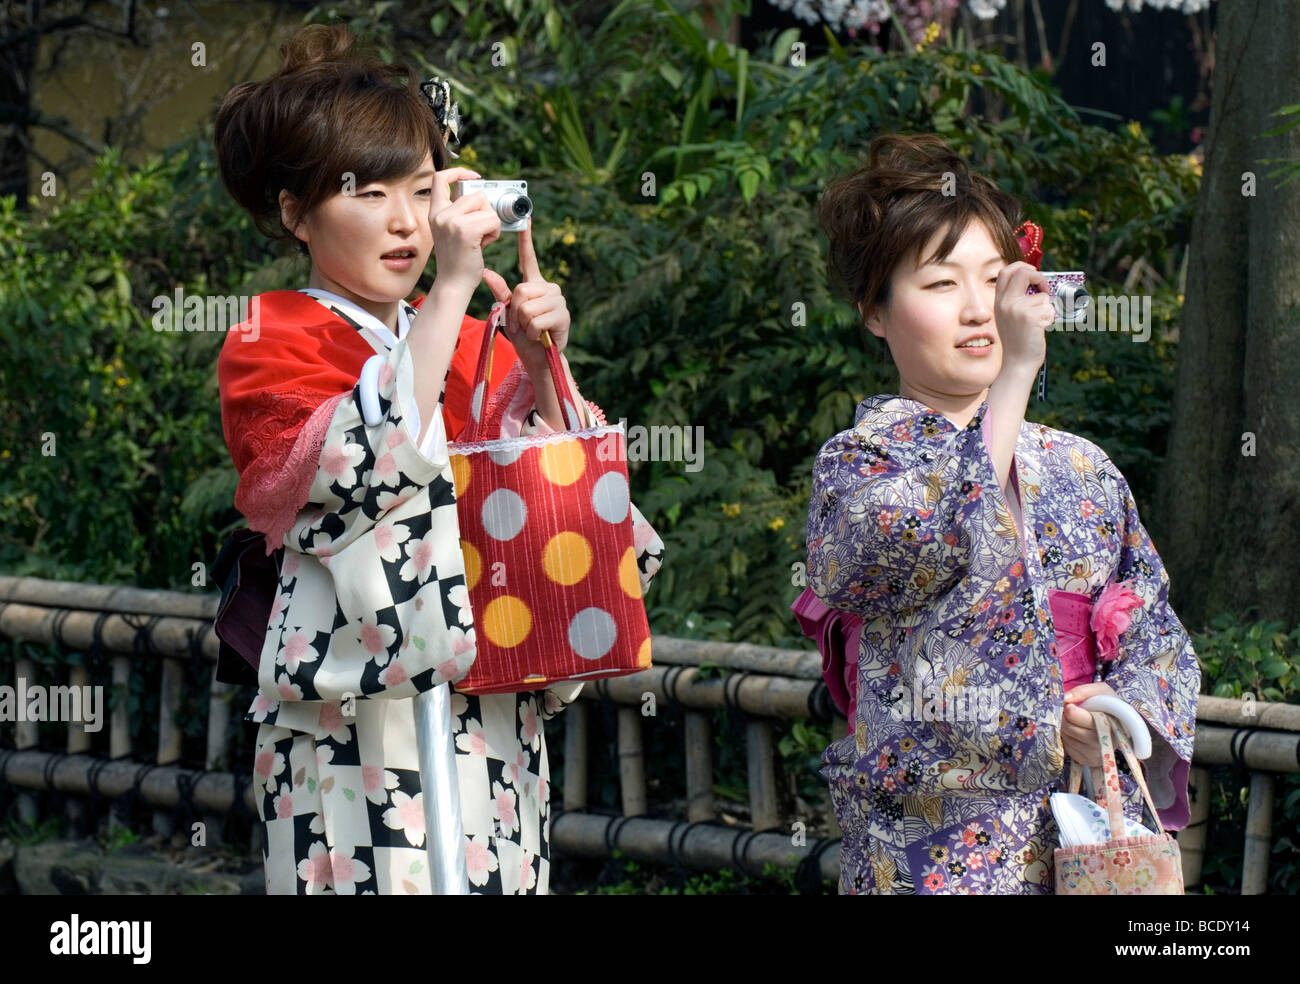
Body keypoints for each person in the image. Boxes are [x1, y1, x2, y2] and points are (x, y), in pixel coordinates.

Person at [213, 23, 663, 894]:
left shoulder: (466, 336)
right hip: (348, 700)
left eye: (420, 191)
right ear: (293, 211)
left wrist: (539, 364)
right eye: (367, 193)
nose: (404, 222)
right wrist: (452, 289)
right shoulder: (270, 332)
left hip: (487, 690)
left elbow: (558, 496)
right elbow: (351, 478)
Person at [799, 133, 1200, 894]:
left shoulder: (1083, 468)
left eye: (992, 278)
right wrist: (1016, 373)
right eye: (942, 283)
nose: (979, 308)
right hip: (928, 845)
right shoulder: (862, 463)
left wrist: (1112, 710)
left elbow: (1153, 629)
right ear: (874, 313)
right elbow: (900, 553)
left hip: (1082, 838)